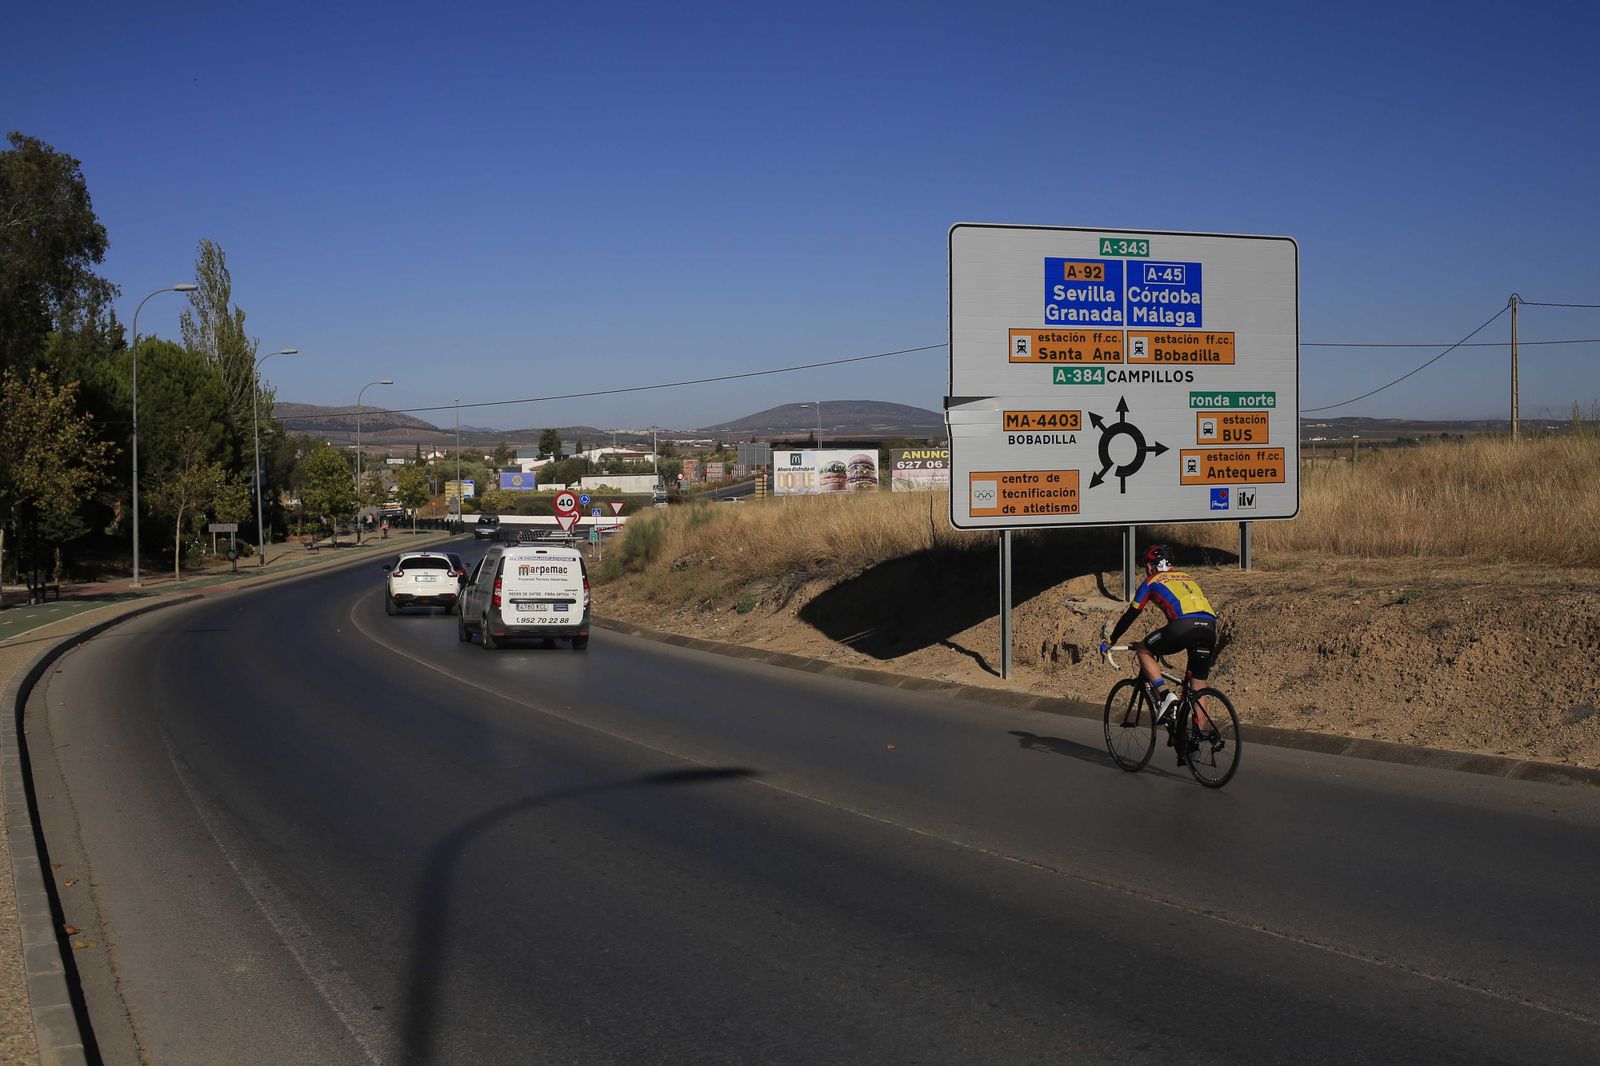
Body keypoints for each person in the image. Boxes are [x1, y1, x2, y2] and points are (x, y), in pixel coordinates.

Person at [1099, 545, 1218, 760]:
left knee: (1144, 649)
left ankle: (1165, 696)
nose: (1146, 567)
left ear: (1152, 565)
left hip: (1183, 626)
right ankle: (1195, 743)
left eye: (1147, 563)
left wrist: (1110, 640)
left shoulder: (1151, 582)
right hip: (1209, 627)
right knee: (1197, 685)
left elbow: (1131, 614)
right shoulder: (1186, 577)